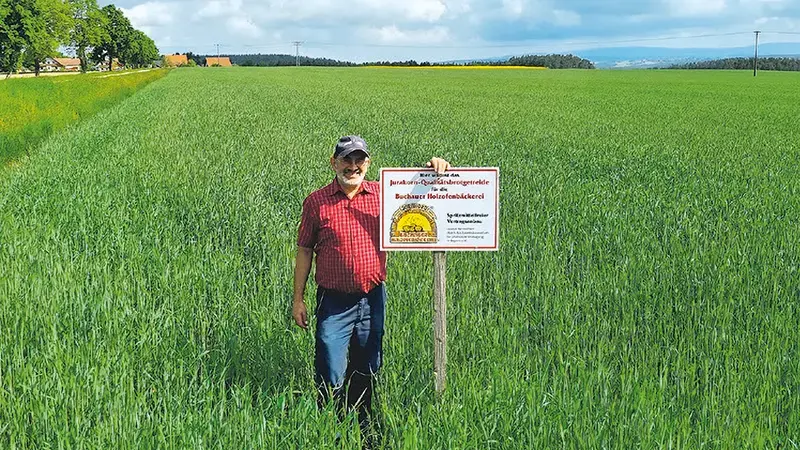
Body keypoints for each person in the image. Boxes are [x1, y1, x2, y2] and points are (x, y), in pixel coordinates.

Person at [292, 135, 449, 433]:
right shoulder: (316, 202)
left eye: (359, 159)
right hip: (333, 301)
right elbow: (304, 249)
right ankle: (331, 427)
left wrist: (432, 169)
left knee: (368, 365)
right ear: (333, 163)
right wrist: (298, 299)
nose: (353, 166)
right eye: (346, 159)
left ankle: (361, 423)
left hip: (371, 298)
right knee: (330, 366)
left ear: (368, 163)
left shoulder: (383, 195)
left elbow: (418, 196)